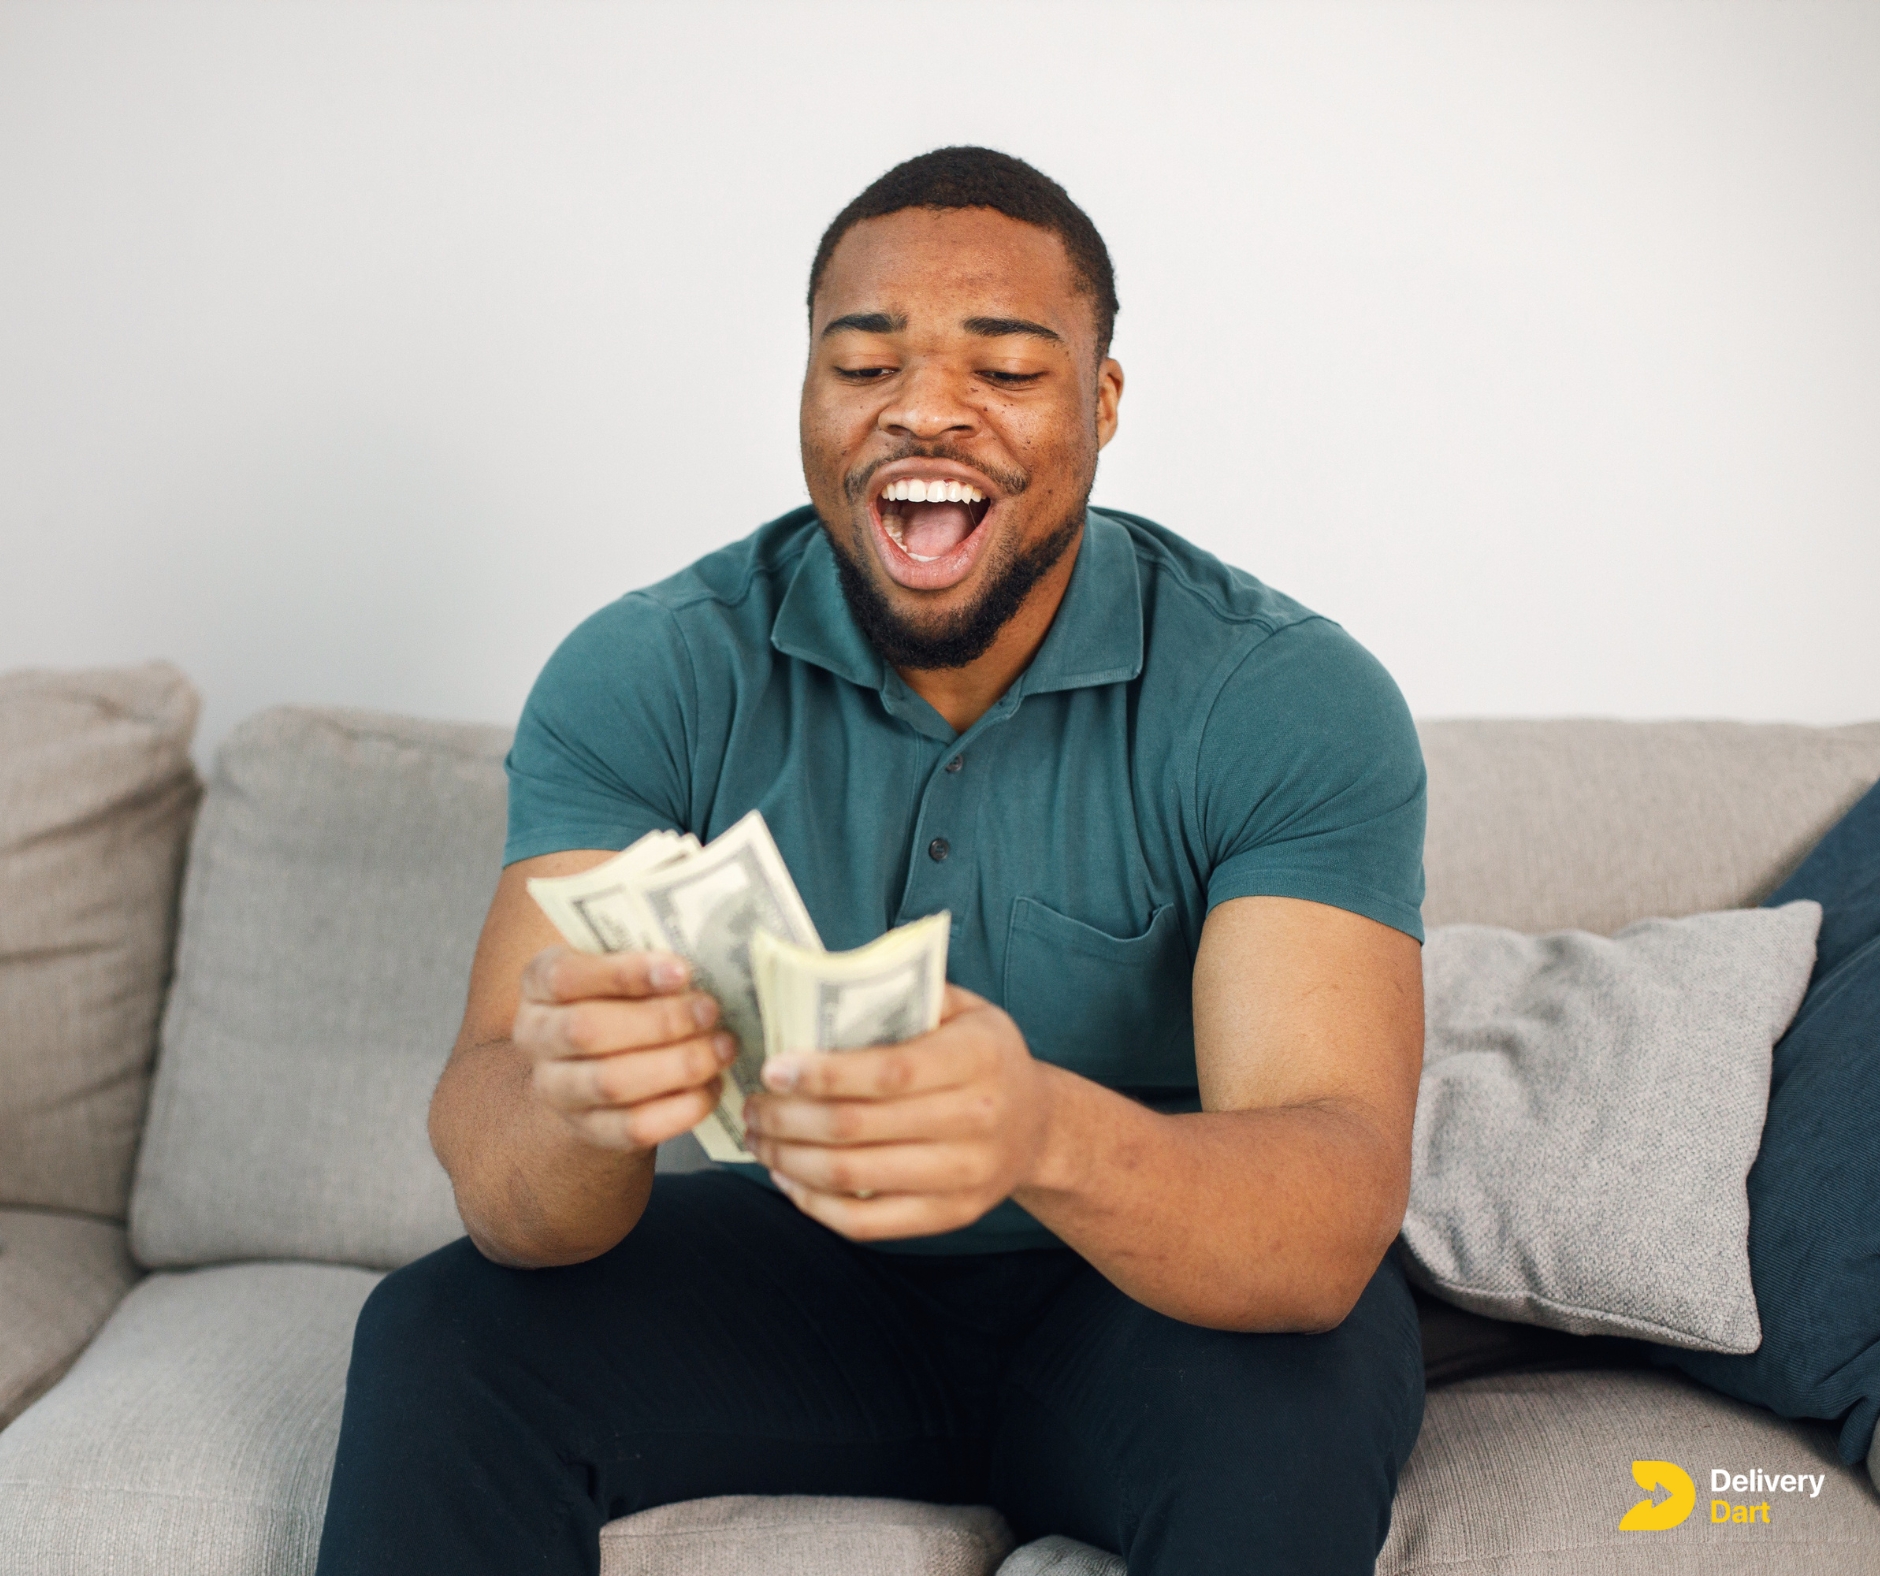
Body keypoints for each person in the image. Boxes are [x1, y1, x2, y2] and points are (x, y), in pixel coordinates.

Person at [314, 146, 1429, 1576]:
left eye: (1008, 371)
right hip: (801, 1276)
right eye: (864, 365)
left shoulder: (1285, 695)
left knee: (1297, 1401)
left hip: (1145, 1277)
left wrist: (1039, 1133)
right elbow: (513, 1195)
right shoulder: (646, 671)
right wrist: (578, 1106)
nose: (923, 411)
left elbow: (1328, 1200)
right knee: (442, 1332)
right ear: (806, 393)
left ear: (1101, 404)